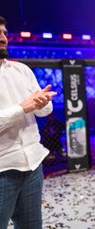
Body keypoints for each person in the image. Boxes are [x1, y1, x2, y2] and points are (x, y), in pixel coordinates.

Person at [0, 16, 57, 229]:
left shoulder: (21, 70)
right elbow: (26, 107)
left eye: (4, 33)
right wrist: (22, 108)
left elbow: (44, 111)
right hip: (2, 169)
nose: (3, 38)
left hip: (32, 165)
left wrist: (41, 103)